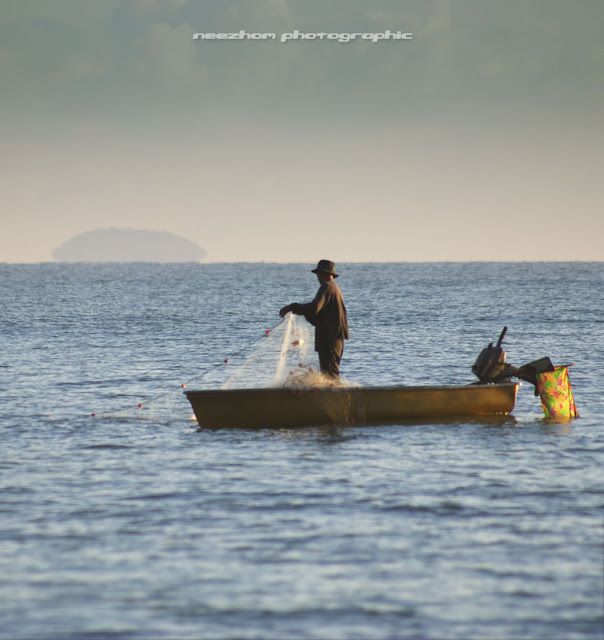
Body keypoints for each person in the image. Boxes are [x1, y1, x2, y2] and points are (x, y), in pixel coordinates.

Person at [279, 260, 349, 380]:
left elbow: (314, 308)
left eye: (318, 274)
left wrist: (292, 307)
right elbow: (321, 315)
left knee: (330, 375)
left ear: (324, 273)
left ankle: (335, 397)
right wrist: (304, 313)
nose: (317, 277)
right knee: (330, 374)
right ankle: (331, 396)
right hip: (334, 338)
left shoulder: (327, 287)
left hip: (330, 339)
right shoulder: (334, 288)